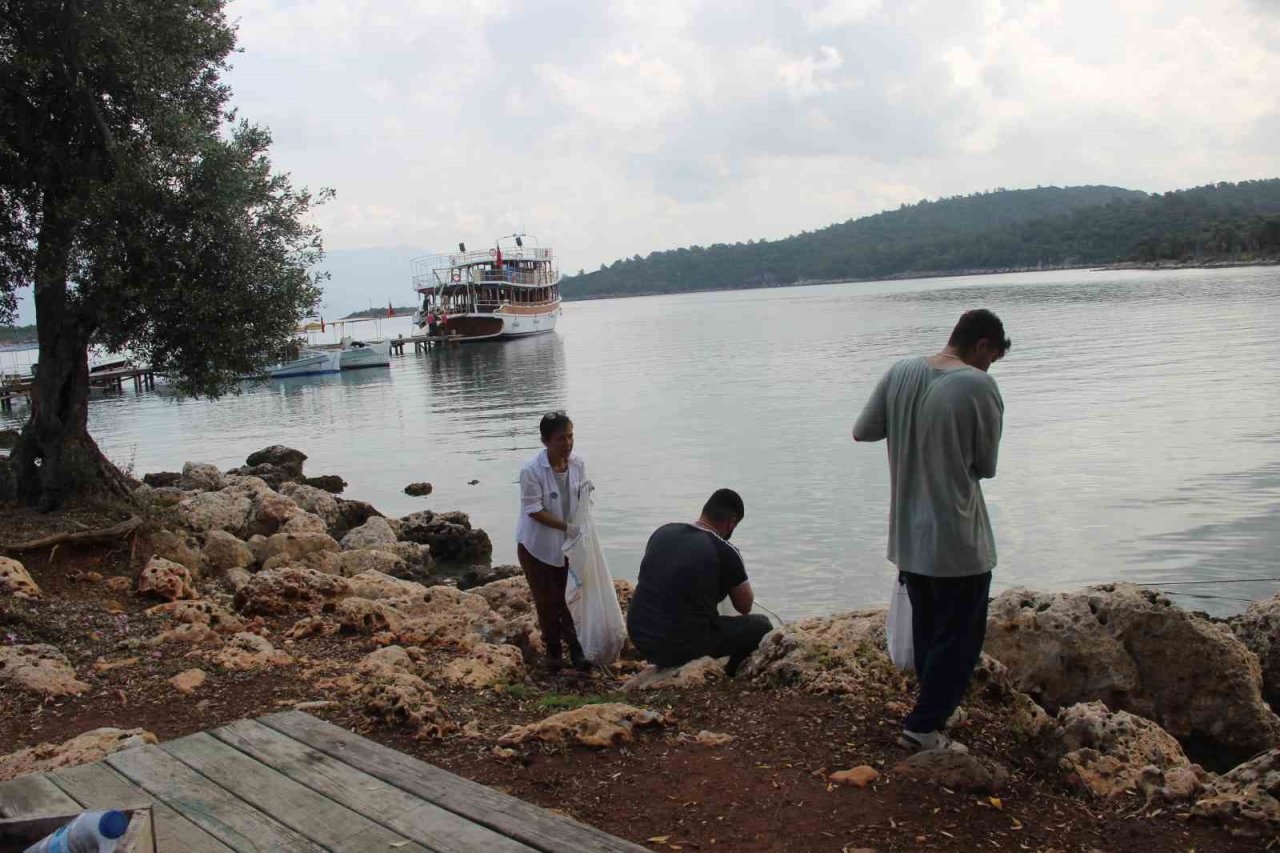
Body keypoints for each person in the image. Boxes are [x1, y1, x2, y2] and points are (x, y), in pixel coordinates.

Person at [853, 308, 1010, 753]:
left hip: (908, 535)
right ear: (982, 345)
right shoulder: (978, 385)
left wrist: (910, 429)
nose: (989, 367)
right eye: (992, 358)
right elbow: (987, 465)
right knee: (960, 637)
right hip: (957, 538)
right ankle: (924, 726)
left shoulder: (902, 370)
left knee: (929, 629)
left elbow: (864, 431)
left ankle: (933, 707)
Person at [626, 489, 772, 676]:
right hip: (681, 646)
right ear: (732, 522)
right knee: (761, 625)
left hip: (641, 638)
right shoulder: (724, 550)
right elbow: (745, 606)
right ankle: (731, 673)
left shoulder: (663, 532)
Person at [517, 411, 590, 672]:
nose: (567, 443)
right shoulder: (532, 471)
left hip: (567, 545)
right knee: (548, 601)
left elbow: (581, 498)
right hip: (537, 547)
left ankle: (577, 648)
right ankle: (554, 653)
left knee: (570, 596)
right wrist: (565, 527)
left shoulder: (578, 464)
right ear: (546, 441)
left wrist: (582, 519)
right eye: (561, 439)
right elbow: (533, 509)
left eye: (570, 436)